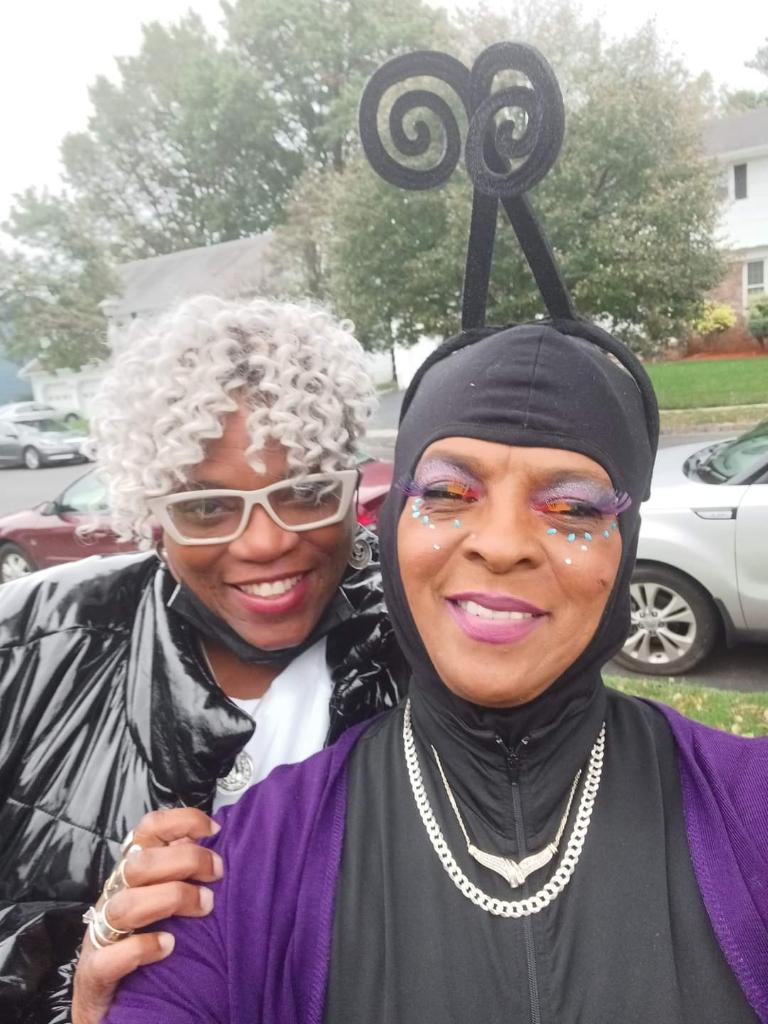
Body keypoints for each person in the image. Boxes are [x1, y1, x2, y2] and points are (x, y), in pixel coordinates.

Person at [103, 43, 768, 1024]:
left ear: (626, 545)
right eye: (450, 491)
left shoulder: (748, 810)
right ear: (398, 518)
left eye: (572, 506)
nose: (501, 542)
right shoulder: (244, 864)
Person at [0, 296, 406, 1024]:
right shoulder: (29, 645)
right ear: (153, 515)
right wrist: (81, 1000)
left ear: (352, 492)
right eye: (208, 507)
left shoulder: (424, 651)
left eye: (305, 492)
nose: (264, 543)